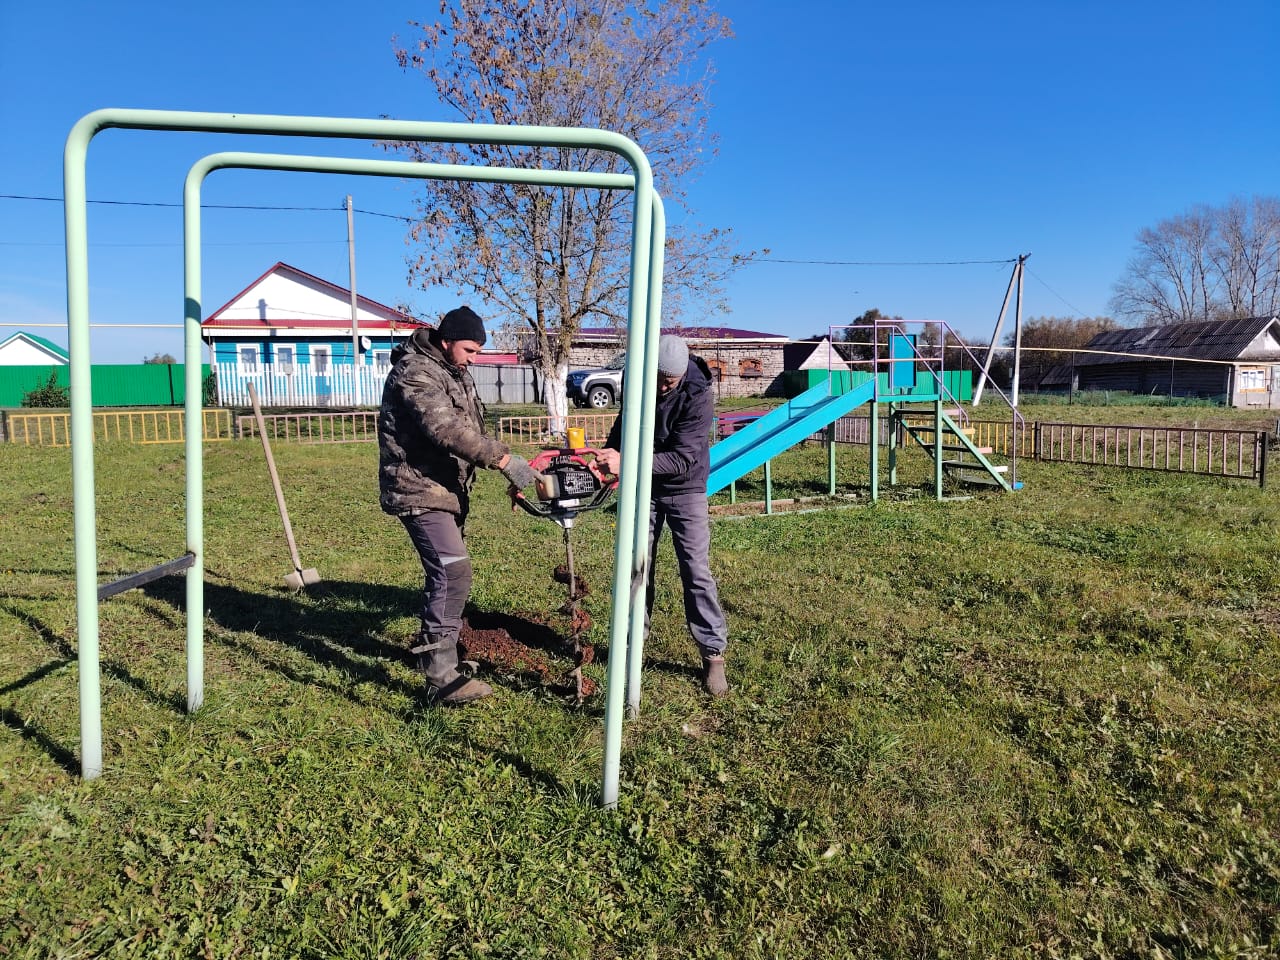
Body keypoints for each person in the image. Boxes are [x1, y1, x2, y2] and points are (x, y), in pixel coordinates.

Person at [378, 306, 540, 705]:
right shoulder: (415, 372)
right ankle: (441, 678)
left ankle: (437, 652)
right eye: (470, 349)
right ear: (446, 340)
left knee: (445, 574)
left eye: (478, 351)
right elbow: (446, 429)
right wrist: (504, 461)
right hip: (419, 490)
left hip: (446, 491)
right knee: (453, 573)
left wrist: (500, 469)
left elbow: (471, 427)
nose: (474, 358)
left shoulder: (453, 370)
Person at [596, 334, 730, 696]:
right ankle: (631, 645)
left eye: (668, 382)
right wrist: (608, 455)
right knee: (636, 568)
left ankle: (713, 655)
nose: (660, 387)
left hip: (686, 488)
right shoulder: (637, 379)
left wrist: (627, 462)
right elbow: (623, 425)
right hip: (645, 488)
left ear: (681, 375)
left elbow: (682, 458)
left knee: (696, 571)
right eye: (655, 379)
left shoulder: (698, 394)